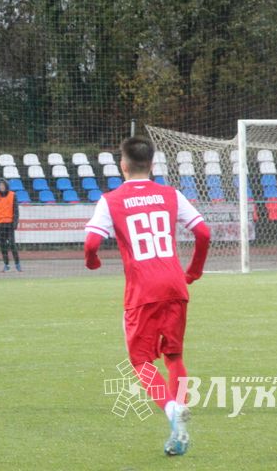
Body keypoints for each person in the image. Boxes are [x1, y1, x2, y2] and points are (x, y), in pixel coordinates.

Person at [83, 137, 211, 457]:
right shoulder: (171, 194)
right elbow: (203, 233)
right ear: (152, 165)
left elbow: (90, 244)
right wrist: (193, 272)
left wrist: (93, 262)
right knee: (173, 356)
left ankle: (172, 410)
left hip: (142, 290)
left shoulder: (111, 200)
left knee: (140, 361)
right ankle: (179, 407)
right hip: (174, 285)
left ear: (122, 165)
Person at [0, 178, 21, 272]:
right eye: (0, 186)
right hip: (0, 224)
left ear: (6, 186)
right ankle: (6, 264)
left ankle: (17, 264)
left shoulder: (13, 195)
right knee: (3, 246)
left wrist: (15, 222)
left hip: (10, 224)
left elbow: (16, 210)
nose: (2, 187)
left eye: (3, 186)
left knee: (12, 244)